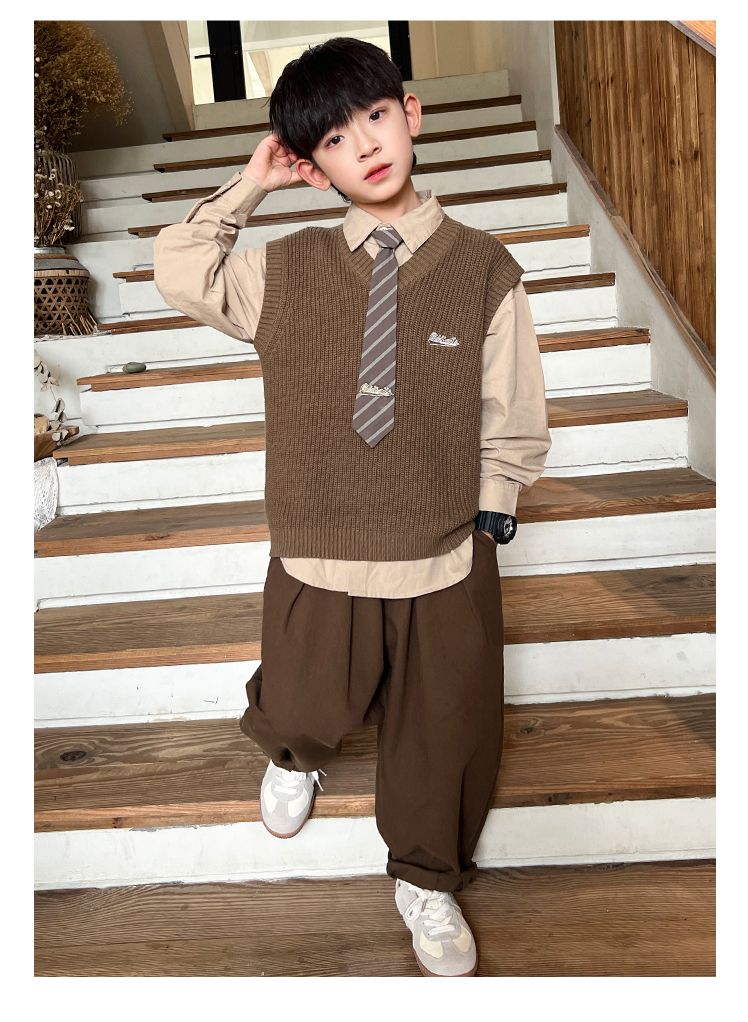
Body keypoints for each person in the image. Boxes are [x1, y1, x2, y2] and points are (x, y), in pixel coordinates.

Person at [154, 36, 551, 978]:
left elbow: (511, 397)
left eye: (375, 117)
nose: (365, 145)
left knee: (446, 726)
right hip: (320, 540)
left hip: (441, 545)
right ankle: (292, 754)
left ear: (409, 114)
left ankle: (426, 876)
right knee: (303, 699)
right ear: (312, 163)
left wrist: (496, 494)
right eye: (333, 139)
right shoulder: (284, 271)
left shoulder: (484, 267)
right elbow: (180, 270)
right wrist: (252, 184)